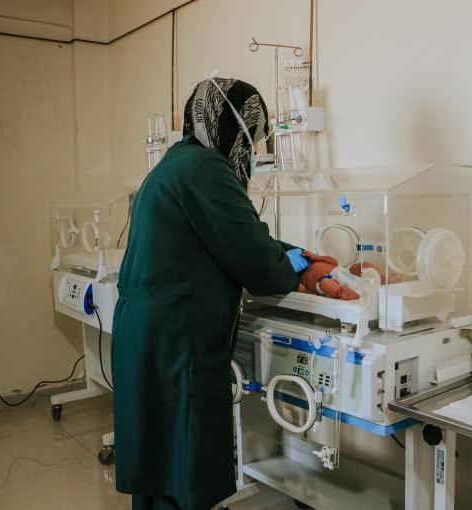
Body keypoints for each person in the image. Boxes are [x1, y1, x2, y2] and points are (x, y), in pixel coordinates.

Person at [111, 77, 310, 510]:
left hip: (147, 334)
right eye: (253, 137)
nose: (255, 151)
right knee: (186, 458)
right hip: (176, 340)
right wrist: (301, 267)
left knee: (158, 460)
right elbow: (255, 260)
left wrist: (291, 253)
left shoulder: (175, 163)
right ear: (233, 128)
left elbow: (225, 237)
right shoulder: (207, 169)